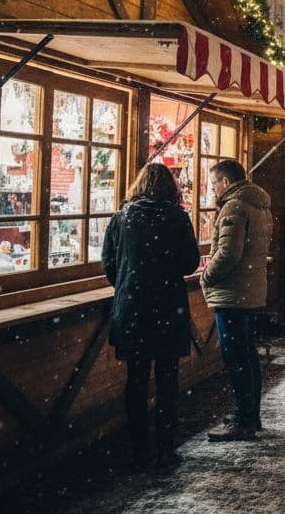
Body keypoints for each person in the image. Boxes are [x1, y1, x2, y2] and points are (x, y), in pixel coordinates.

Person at [102, 163, 200, 472]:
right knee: (168, 380)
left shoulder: (121, 218)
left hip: (133, 308)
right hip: (169, 308)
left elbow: (109, 266)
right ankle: (166, 449)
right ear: (170, 189)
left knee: (136, 381)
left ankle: (140, 451)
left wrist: (131, 281)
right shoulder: (177, 218)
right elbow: (189, 263)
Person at [201, 159, 272, 442]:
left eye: (214, 184)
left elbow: (229, 252)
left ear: (226, 182)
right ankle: (249, 413)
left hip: (233, 292)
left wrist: (207, 275)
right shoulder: (259, 203)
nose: (213, 189)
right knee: (248, 355)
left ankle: (243, 420)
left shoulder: (234, 206)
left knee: (237, 358)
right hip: (250, 289)